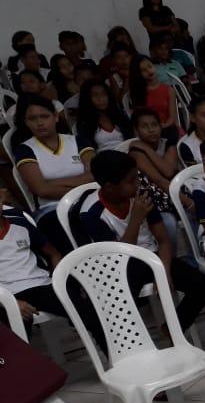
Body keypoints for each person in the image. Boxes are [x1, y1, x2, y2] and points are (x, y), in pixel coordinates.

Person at [84, 150, 205, 333]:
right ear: (110, 187)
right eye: (131, 181)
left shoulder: (142, 194)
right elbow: (118, 257)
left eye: (137, 177)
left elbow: (163, 240)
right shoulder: (92, 214)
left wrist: (163, 273)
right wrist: (135, 218)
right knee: (122, 303)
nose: (137, 184)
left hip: (152, 257)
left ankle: (173, 329)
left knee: (202, 284)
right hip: (121, 266)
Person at [0, 186, 105, 349]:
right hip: (7, 294)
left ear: (2, 198)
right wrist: (10, 302)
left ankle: (118, 360)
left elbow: (53, 253)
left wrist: (58, 282)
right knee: (15, 340)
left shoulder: (19, 222)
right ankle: (26, 373)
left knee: (90, 313)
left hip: (41, 285)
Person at [12, 94, 93, 252]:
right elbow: (41, 190)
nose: (39, 123)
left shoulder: (77, 141)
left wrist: (51, 183)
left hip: (87, 201)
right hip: (51, 209)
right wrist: (80, 185)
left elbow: (95, 175)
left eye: (44, 116)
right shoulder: (25, 149)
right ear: (26, 122)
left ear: (56, 117)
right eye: (32, 118)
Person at [127, 108, 180, 212]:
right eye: (144, 126)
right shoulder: (136, 152)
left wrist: (146, 148)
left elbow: (168, 171)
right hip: (152, 200)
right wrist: (187, 202)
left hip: (173, 190)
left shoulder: (167, 143)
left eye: (154, 125)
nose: (151, 130)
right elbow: (159, 180)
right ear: (136, 131)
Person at [128, 54, 180, 145]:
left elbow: (172, 118)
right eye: (144, 70)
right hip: (147, 132)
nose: (149, 71)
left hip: (166, 128)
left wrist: (160, 127)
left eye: (150, 66)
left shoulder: (169, 90)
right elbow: (137, 120)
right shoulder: (138, 93)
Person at [75, 79, 132, 153]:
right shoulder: (84, 124)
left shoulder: (120, 117)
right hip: (104, 160)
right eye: (95, 95)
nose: (101, 99)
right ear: (87, 99)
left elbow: (131, 139)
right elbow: (87, 150)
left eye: (104, 94)